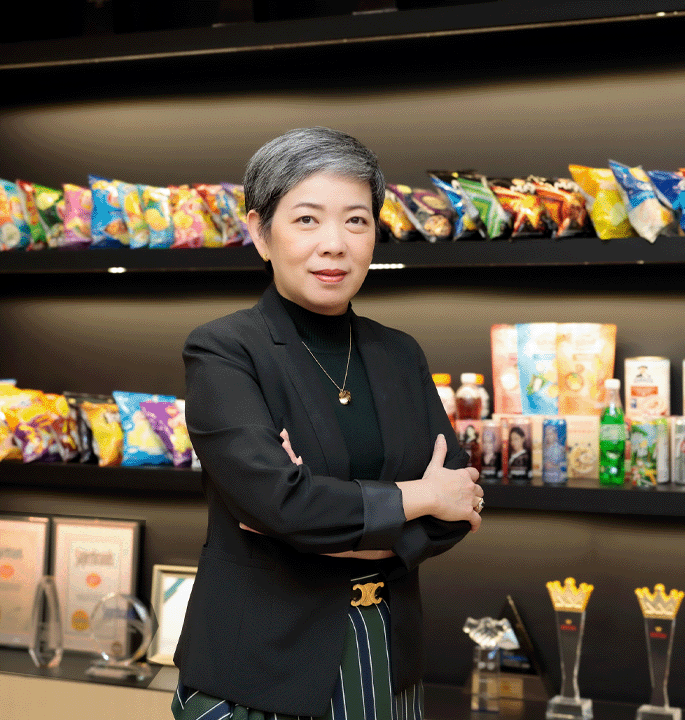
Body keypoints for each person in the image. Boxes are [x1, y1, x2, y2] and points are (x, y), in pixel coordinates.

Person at [174, 127, 484, 720]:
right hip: (261, 671)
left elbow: (460, 506)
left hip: (389, 661)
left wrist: (310, 525)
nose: (335, 244)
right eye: (308, 220)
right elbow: (279, 502)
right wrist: (419, 498)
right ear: (260, 233)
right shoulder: (224, 350)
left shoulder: (400, 354)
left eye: (357, 221)